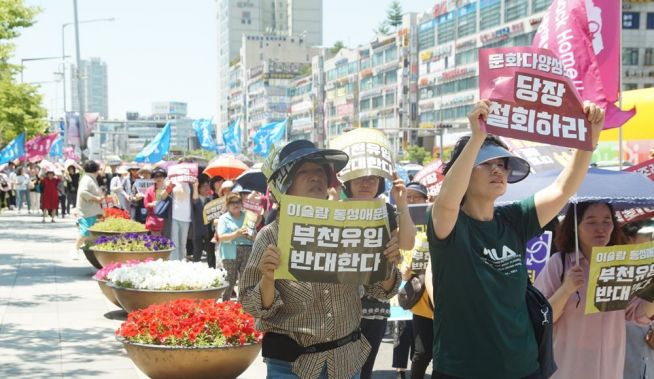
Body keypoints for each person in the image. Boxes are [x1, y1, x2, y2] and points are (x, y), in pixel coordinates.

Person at [427, 100, 605, 379]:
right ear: (462, 172)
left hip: (524, 367)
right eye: (485, 164)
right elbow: (447, 202)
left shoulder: (514, 219)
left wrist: (588, 141)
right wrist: (476, 138)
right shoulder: (449, 223)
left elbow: (562, 188)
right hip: (462, 370)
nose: (498, 170)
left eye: (502, 164)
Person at [240, 139, 402, 379]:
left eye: (319, 170)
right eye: (303, 171)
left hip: (345, 360)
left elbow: (381, 290)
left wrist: (387, 265)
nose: (314, 176)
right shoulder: (271, 234)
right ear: (287, 184)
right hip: (291, 365)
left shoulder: (354, 224)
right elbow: (253, 305)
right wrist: (267, 277)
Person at [534, 203, 654, 379]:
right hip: (567, 369)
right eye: (591, 222)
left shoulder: (620, 265)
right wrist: (566, 290)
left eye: (607, 221)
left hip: (610, 370)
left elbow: (638, 314)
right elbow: (540, 318)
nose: (601, 229)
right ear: (575, 226)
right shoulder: (559, 264)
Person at [341, 169, 416, 379]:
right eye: (359, 178)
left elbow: (407, 243)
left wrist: (402, 204)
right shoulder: (335, 211)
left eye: (372, 178)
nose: (366, 183)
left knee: (364, 372)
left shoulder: (387, 210)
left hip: (375, 306)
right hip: (342, 308)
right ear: (348, 182)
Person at [398, 182, 433, 379]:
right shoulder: (409, 233)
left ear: (425, 200)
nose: (412, 201)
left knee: (444, 355)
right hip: (422, 304)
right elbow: (404, 275)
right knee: (421, 353)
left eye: (416, 197)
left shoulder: (442, 221)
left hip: (448, 302)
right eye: (408, 197)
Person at [217, 192, 253, 301]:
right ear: (227, 205)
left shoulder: (248, 216)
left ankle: (242, 305)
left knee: (245, 280)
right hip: (230, 252)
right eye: (232, 202)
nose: (235, 204)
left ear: (241, 203)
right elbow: (221, 237)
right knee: (230, 280)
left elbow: (255, 236)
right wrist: (236, 234)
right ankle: (225, 305)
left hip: (247, 249)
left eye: (237, 202)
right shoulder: (223, 218)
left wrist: (250, 234)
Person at [73, 160, 104, 257]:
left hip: (91, 211)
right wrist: (96, 199)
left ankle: (91, 252)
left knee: (91, 233)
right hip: (86, 211)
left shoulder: (90, 178)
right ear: (96, 170)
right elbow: (83, 192)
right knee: (85, 231)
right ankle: (75, 249)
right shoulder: (87, 179)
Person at [191, 180, 216, 267]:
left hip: (209, 230)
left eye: (208, 186)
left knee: (210, 252)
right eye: (204, 186)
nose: (207, 188)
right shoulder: (196, 199)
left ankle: (212, 270)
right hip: (197, 230)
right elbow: (195, 201)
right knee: (197, 252)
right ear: (199, 189)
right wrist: (195, 186)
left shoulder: (211, 199)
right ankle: (195, 270)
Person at [144, 167, 168, 236]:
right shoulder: (149, 189)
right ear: (153, 178)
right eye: (156, 176)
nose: (159, 178)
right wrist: (152, 204)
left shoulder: (169, 189)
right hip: (154, 221)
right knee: (155, 243)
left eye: (161, 176)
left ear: (164, 177)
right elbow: (146, 204)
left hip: (167, 221)